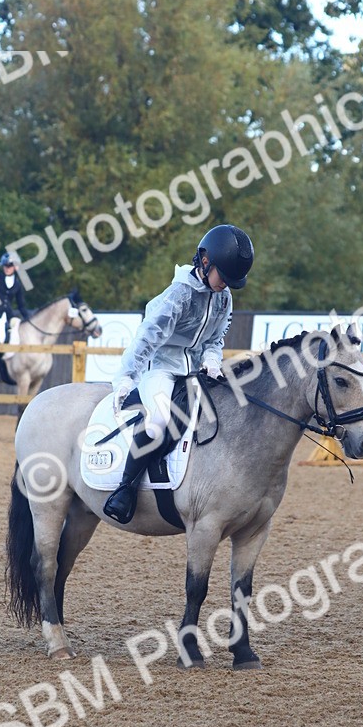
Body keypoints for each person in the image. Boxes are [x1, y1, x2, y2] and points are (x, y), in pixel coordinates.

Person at [103, 223, 254, 524]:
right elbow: (148, 337)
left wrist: (212, 361)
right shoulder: (180, 293)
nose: (225, 284)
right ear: (205, 261)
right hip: (160, 368)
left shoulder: (223, 296)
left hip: (194, 371)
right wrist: (125, 376)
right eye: (223, 277)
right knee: (159, 420)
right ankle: (125, 488)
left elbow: (215, 339)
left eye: (230, 280)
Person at [0, 252, 31, 382]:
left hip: (7, 317)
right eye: (5, 265)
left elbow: (21, 305)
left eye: (9, 265)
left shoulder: (17, 284)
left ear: (16, 267)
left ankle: (10, 368)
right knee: (1, 338)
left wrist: (29, 319)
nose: (7, 267)